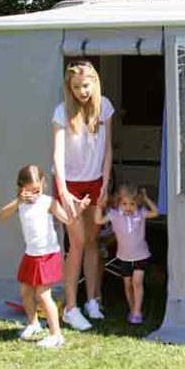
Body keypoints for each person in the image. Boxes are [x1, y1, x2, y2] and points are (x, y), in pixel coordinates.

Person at [52, 61, 114, 330]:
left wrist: (105, 184)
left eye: (86, 85)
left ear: (95, 82)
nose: (81, 91)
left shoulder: (105, 107)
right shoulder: (61, 111)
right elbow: (57, 154)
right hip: (70, 185)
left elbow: (108, 149)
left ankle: (91, 301)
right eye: (76, 87)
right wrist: (63, 191)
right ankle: (70, 308)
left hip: (96, 182)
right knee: (76, 243)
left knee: (91, 241)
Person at [0, 164, 83, 348]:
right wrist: (18, 201)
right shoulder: (20, 203)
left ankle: (56, 335)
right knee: (25, 292)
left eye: (38, 190)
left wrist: (78, 210)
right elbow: (2, 215)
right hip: (31, 254)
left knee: (43, 295)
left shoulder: (48, 201)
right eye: (30, 191)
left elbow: (68, 220)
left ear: (44, 184)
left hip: (48, 255)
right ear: (21, 188)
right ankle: (33, 323)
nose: (35, 195)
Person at [94, 184, 159, 324]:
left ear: (138, 203)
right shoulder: (114, 214)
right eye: (124, 204)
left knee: (137, 282)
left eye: (132, 204)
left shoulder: (140, 213)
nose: (128, 207)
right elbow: (98, 220)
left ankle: (137, 312)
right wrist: (99, 207)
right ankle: (132, 308)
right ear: (118, 202)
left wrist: (146, 198)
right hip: (124, 257)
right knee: (128, 284)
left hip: (141, 255)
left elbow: (155, 212)